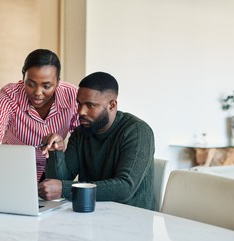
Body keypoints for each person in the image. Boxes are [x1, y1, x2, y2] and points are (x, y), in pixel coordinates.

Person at [38, 71, 156, 210]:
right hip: (91, 214)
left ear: (112, 105)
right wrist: (56, 151)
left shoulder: (137, 131)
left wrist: (64, 189)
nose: (81, 112)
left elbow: (125, 187)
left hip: (132, 220)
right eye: (79, 104)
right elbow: (61, 180)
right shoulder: (81, 132)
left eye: (90, 105)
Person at [0, 49, 79, 181]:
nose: (38, 92)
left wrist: (61, 148)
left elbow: (80, 139)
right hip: (12, 170)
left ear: (58, 82)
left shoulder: (72, 95)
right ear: (23, 76)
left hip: (54, 172)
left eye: (46, 86)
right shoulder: (11, 95)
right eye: (30, 84)